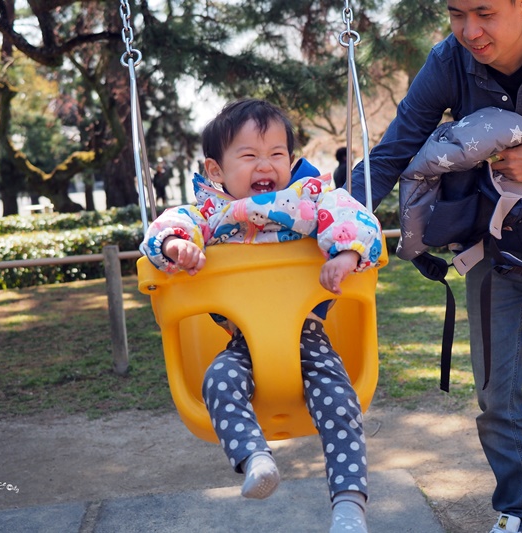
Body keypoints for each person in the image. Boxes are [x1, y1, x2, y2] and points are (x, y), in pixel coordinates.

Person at [349, 2, 522, 532]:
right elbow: (394, 151)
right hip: (489, 246)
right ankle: (517, 515)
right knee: (495, 399)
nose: (470, 31)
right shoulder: (447, 61)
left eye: (484, 12)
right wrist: (337, 220)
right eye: (457, 13)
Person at [141, 99, 383, 533]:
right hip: (242, 345)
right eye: (249, 155)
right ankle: (255, 457)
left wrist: (347, 253)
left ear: (290, 162)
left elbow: (352, 215)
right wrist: (179, 247)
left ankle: (349, 506)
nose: (265, 164)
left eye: (276, 154)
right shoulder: (209, 214)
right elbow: (169, 224)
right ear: (215, 171)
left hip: (310, 338)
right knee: (217, 380)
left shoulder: (310, 202)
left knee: (341, 403)